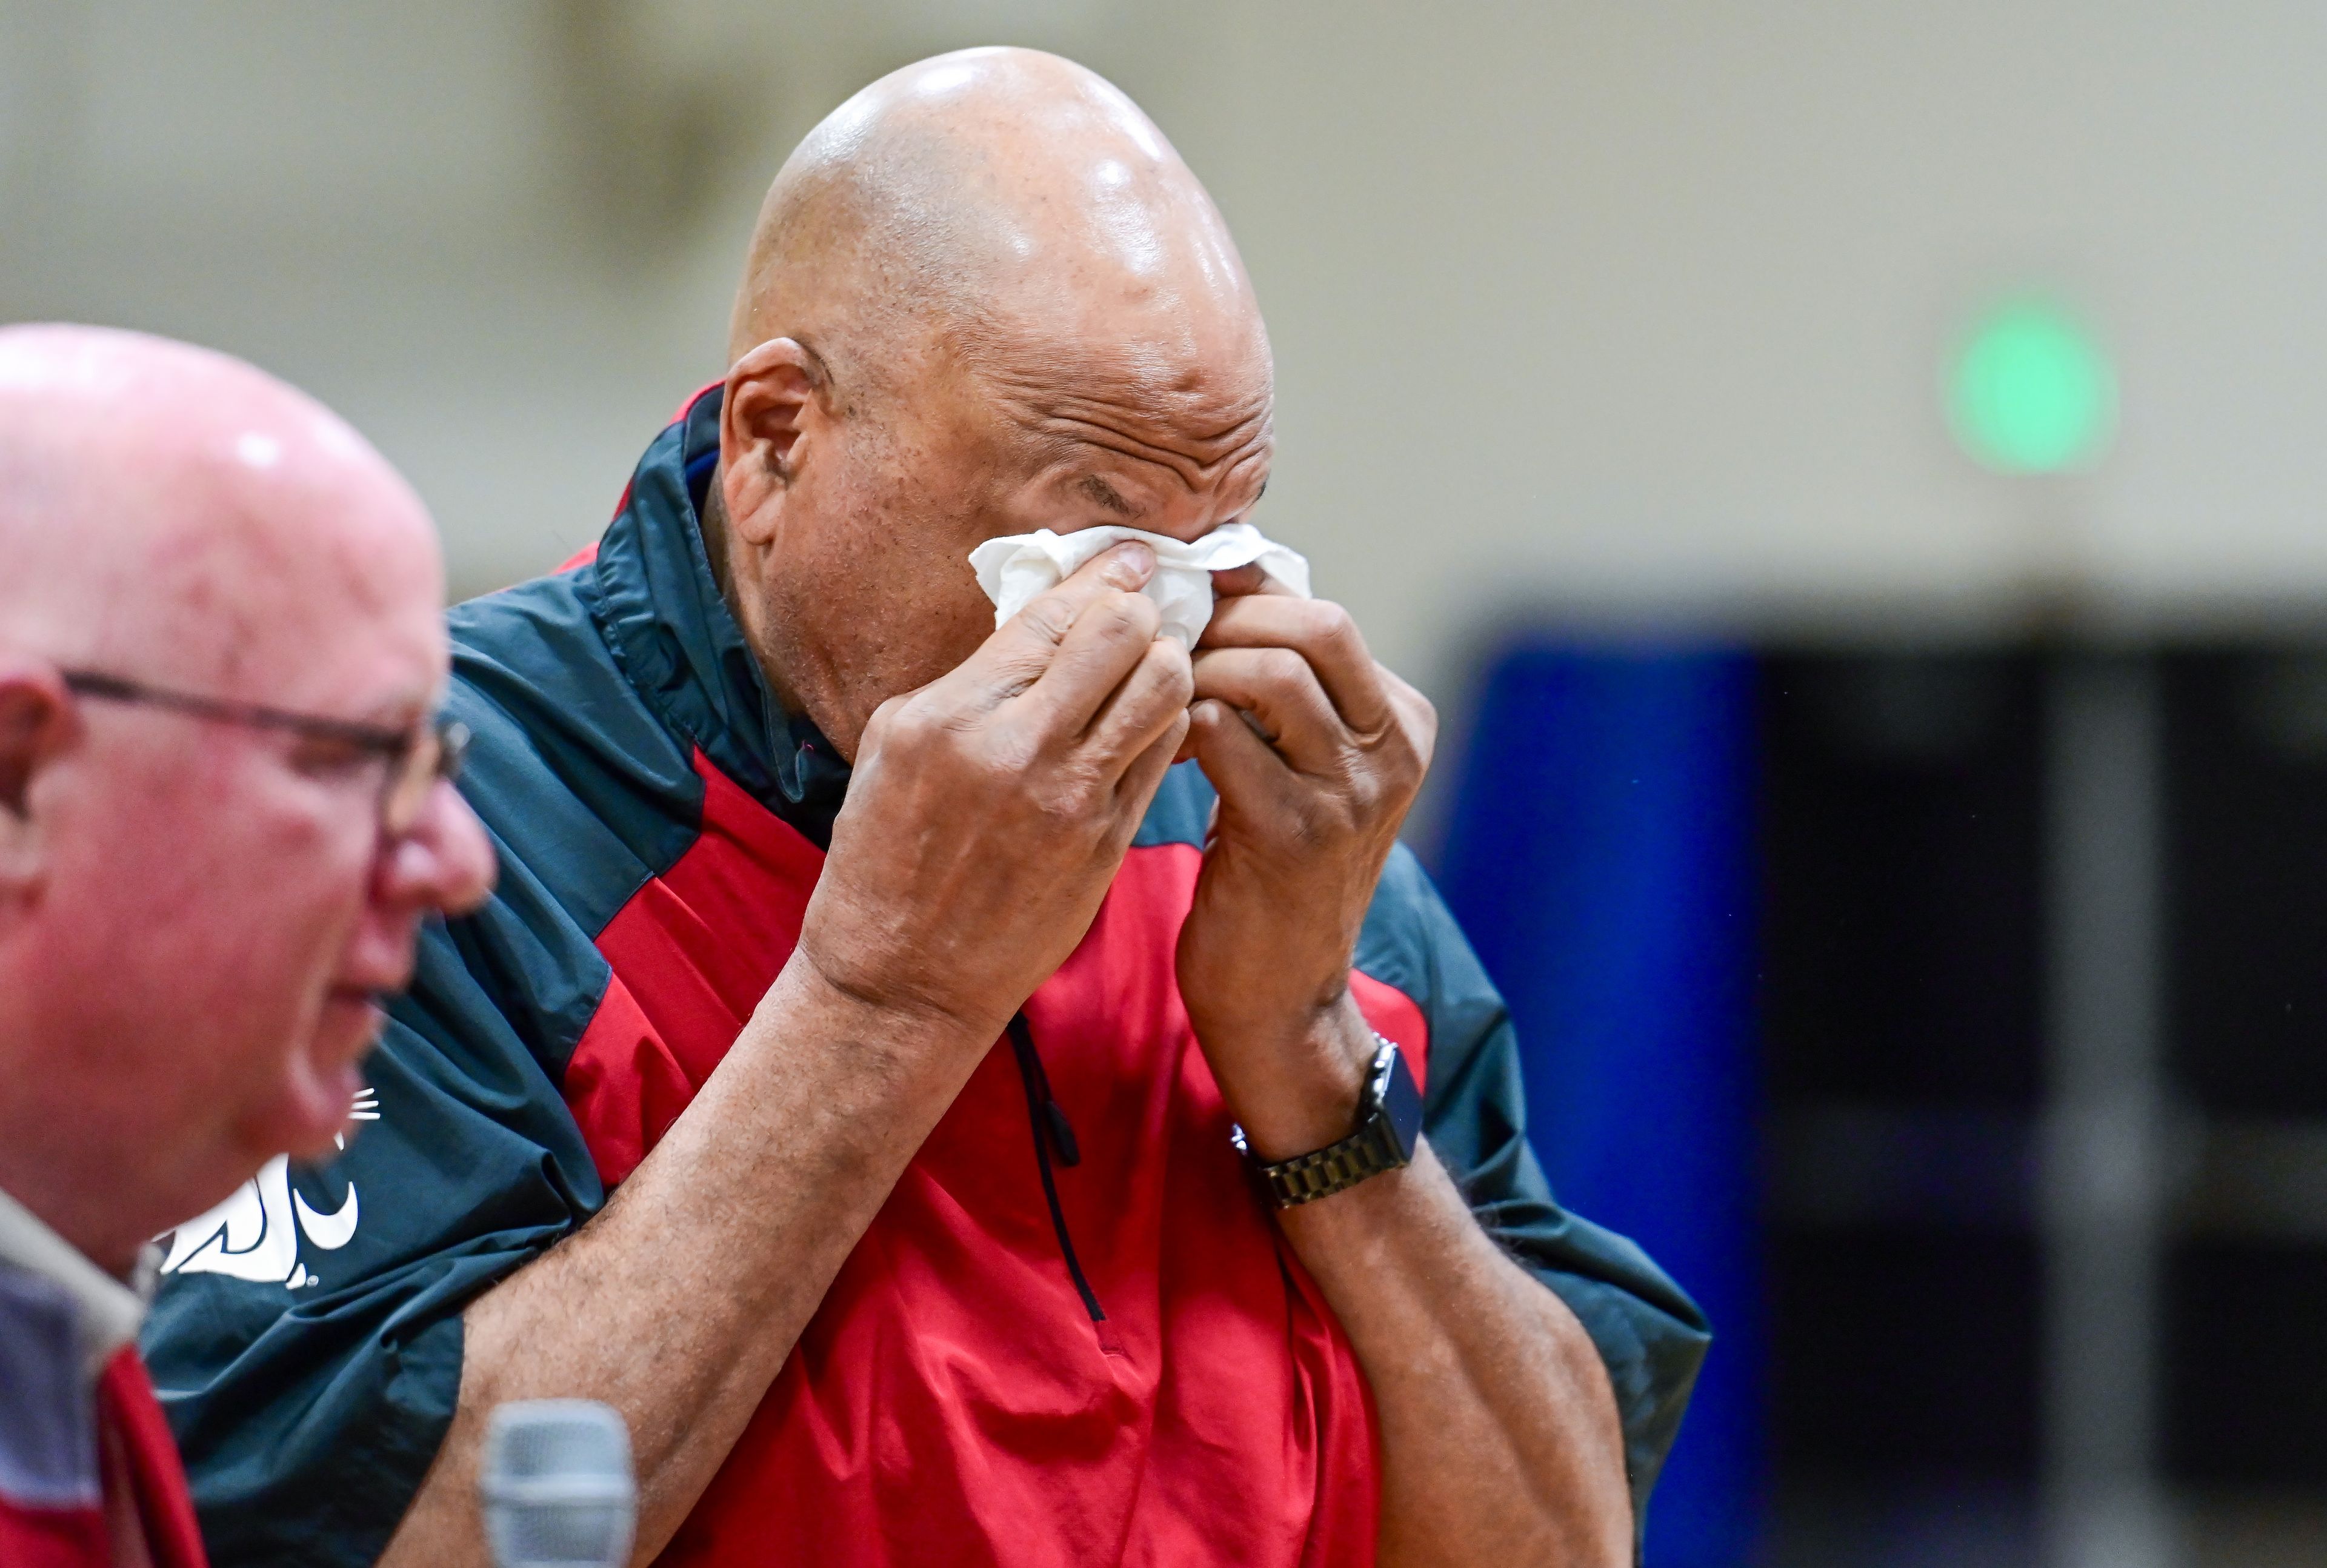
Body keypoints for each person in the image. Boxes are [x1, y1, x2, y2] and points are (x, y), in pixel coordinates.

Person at [146, 48, 1709, 1568]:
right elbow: (348, 1529)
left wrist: (1304, 1048)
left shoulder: (1267, 829)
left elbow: (1564, 1535)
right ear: (777, 438)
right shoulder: (419, 826)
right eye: (1085, 533)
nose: (1156, 631)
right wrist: (881, 1000)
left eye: (1218, 536)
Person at [0, 325, 496, 1567]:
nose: (459, 859)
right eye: (357, 756)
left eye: (437, 764)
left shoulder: (67, 1327)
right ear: (15, 776)